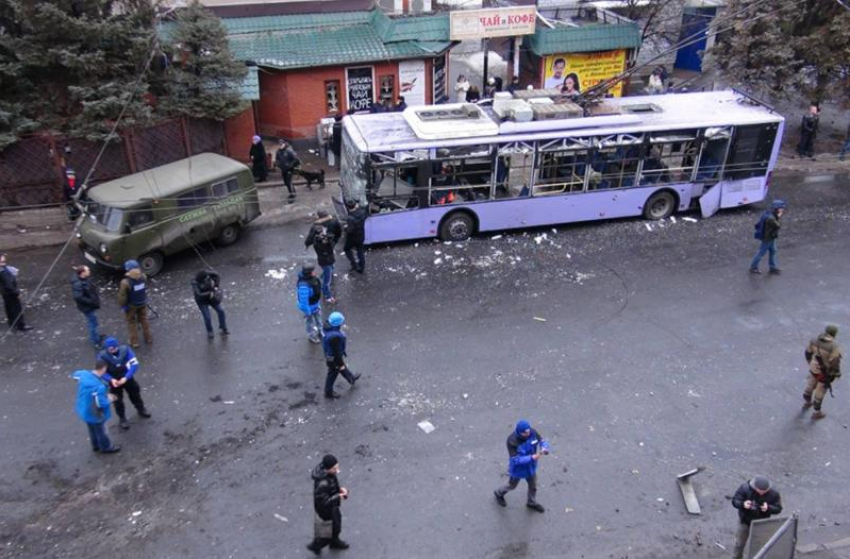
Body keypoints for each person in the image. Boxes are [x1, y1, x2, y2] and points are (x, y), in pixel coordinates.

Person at [494, 419, 550, 512]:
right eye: (525, 433)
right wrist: (531, 457)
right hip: (518, 469)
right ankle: (499, 493)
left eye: (529, 431)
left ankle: (531, 502)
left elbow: (541, 440)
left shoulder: (532, 432)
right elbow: (515, 459)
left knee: (533, 486)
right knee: (512, 485)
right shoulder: (512, 441)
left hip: (530, 467)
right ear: (520, 432)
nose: (528, 434)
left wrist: (545, 447)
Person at [98, 337, 151, 430]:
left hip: (127, 378)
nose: (112, 350)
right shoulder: (102, 356)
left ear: (117, 346)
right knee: (117, 401)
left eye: (114, 348)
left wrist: (126, 377)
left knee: (135, 394)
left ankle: (141, 409)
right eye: (110, 349)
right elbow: (101, 371)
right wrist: (111, 380)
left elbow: (134, 364)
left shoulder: (126, 350)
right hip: (114, 382)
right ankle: (122, 418)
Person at [73, 360, 120, 454]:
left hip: (84, 408)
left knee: (91, 428)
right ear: (103, 369)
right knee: (101, 431)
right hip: (95, 413)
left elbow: (75, 375)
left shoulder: (84, 374)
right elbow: (101, 403)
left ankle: (95, 445)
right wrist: (110, 398)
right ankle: (106, 447)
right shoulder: (99, 386)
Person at [307, 454, 350, 553]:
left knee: (336, 525)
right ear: (328, 468)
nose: (337, 470)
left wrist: (339, 490)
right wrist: (339, 496)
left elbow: (331, 488)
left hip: (333, 508)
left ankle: (334, 541)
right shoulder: (322, 483)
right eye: (335, 468)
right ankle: (316, 546)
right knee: (325, 534)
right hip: (325, 511)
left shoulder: (329, 474)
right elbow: (324, 502)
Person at [731, 476, 782, 559]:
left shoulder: (774, 493)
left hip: (761, 523)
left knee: (758, 546)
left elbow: (778, 508)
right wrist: (743, 504)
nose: (762, 493)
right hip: (745, 521)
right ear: (755, 487)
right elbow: (735, 501)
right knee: (739, 544)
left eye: (764, 492)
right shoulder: (745, 488)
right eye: (760, 491)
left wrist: (769, 508)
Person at [803, 325, 842, 420]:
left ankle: (807, 402)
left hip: (813, 368)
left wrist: (810, 362)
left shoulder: (814, 340)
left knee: (810, 384)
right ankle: (817, 413)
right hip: (825, 373)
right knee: (820, 392)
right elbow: (834, 363)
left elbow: (807, 352)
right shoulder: (834, 346)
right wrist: (836, 373)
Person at [321, 312, 359, 399]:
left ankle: (351, 378)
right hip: (334, 358)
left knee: (341, 368)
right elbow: (336, 352)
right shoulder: (335, 337)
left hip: (330, 356)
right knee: (333, 373)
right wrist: (340, 363)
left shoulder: (327, 328)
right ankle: (328, 392)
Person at [117, 259, 151, 348]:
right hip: (142, 302)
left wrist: (123, 306)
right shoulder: (143, 276)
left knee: (131, 322)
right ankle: (148, 338)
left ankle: (135, 342)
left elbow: (122, 297)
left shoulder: (125, 282)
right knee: (144, 320)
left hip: (131, 306)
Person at [305, 217, 340, 304]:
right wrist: (328, 242)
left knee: (329, 270)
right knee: (327, 282)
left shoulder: (319, 240)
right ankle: (328, 296)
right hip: (326, 261)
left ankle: (321, 278)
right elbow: (328, 249)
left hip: (328, 260)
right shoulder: (319, 243)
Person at [749, 199, 785, 275]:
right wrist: (779, 217)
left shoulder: (769, 213)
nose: (783, 209)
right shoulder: (771, 218)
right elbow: (778, 226)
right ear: (777, 208)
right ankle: (753, 267)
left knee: (773, 251)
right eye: (781, 208)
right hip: (768, 238)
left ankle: (773, 267)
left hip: (771, 237)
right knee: (761, 252)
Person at [71, 265, 102, 348]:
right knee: (93, 323)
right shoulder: (78, 284)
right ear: (83, 273)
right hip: (88, 308)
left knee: (94, 322)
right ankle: (95, 341)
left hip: (89, 306)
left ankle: (97, 336)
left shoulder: (83, 279)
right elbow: (78, 297)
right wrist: (91, 301)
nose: (89, 271)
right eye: (88, 270)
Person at [192, 270, 228, 339]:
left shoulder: (208, 274)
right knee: (207, 317)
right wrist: (210, 292)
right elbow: (199, 294)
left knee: (221, 311)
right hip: (202, 301)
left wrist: (216, 285)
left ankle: (223, 327)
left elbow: (217, 275)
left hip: (211, 297)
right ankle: (210, 331)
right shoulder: (194, 283)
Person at [0, 254, 33, 332]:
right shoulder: (3, 272)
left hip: (5, 293)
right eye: (2, 261)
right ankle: (21, 325)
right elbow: (9, 284)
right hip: (10, 293)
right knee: (17, 309)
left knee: (9, 308)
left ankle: (12, 324)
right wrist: (17, 293)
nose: (4, 263)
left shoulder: (3, 270)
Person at [297, 263, 323, 344]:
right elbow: (304, 302)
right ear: (309, 272)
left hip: (315, 304)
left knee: (318, 318)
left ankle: (320, 330)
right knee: (309, 322)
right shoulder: (303, 286)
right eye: (313, 271)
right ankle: (311, 336)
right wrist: (308, 312)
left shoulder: (312, 278)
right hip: (309, 307)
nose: (315, 272)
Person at [343, 200, 367, 274]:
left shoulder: (350, 218)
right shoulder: (362, 213)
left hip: (352, 237)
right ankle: (362, 267)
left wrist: (345, 227)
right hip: (361, 235)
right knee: (360, 250)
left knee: (346, 249)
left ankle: (354, 264)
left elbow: (350, 230)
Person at [275, 139, 301, 204]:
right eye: (279, 145)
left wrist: (290, 165)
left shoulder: (289, 151)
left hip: (289, 169)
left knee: (289, 182)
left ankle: (292, 194)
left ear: (284, 144)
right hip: (283, 169)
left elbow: (295, 159)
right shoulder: (278, 151)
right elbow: (277, 159)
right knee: (286, 182)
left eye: (281, 144)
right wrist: (278, 164)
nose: (280, 146)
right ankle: (292, 192)